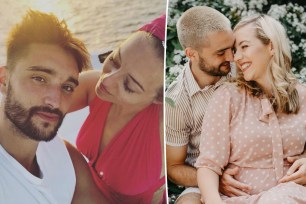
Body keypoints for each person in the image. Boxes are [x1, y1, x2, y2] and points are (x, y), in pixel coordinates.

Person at [196, 14, 306, 204]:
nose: (237, 58)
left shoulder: (303, 95)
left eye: (244, 47)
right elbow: (208, 165)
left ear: (271, 46)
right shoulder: (227, 97)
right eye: (234, 50)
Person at [0, 10, 107, 204]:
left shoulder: (64, 155)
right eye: (39, 78)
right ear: (4, 81)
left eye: (66, 87)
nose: (54, 101)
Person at [68, 15, 166, 203]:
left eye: (129, 85)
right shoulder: (94, 85)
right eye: (115, 60)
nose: (107, 80)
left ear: (159, 99)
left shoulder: (165, 130)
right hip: (83, 193)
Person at [166, 6, 253, 203]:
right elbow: (173, 167)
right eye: (221, 52)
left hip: (254, 167)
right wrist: (217, 182)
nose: (232, 58)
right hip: (204, 180)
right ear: (191, 54)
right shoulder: (176, 101)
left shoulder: (243, 68)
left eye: (232, 48)